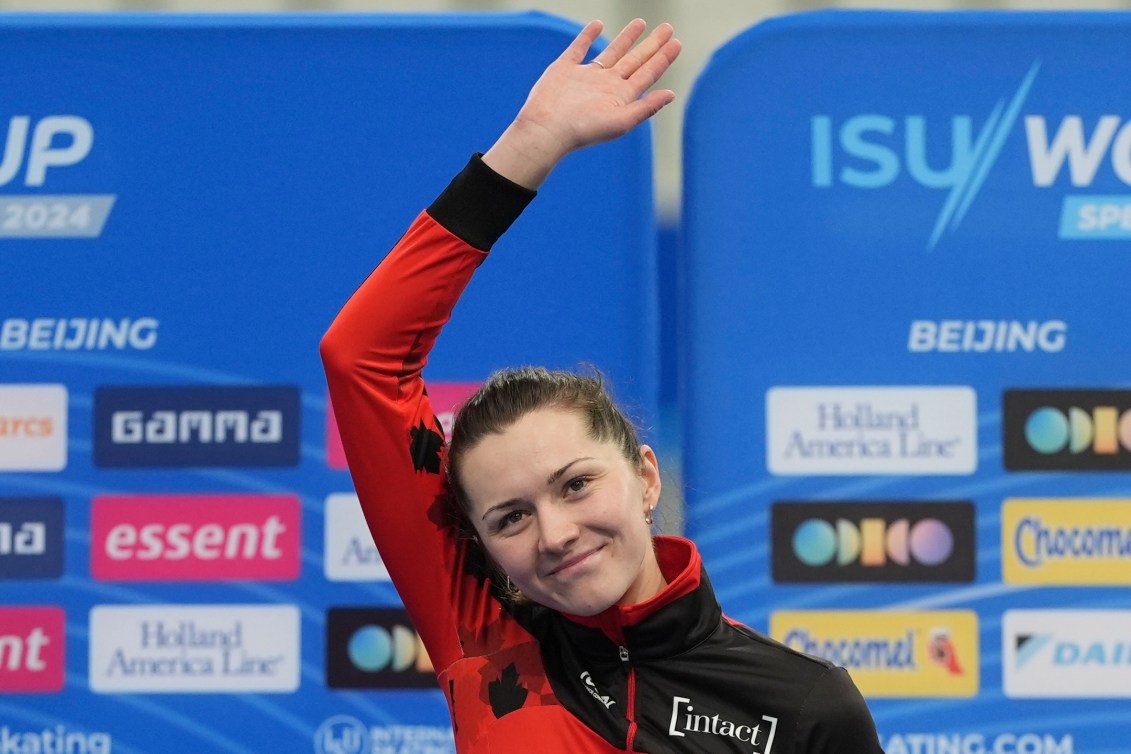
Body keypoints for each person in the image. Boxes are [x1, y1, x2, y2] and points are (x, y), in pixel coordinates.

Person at [321, 18, 884, 754]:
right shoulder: (482, 632)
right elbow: (361, 358)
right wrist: (527, 147)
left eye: (575, 485)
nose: (555, 534)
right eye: (510, 519)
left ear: (645, 477)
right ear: (480, 545)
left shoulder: (803, 705)